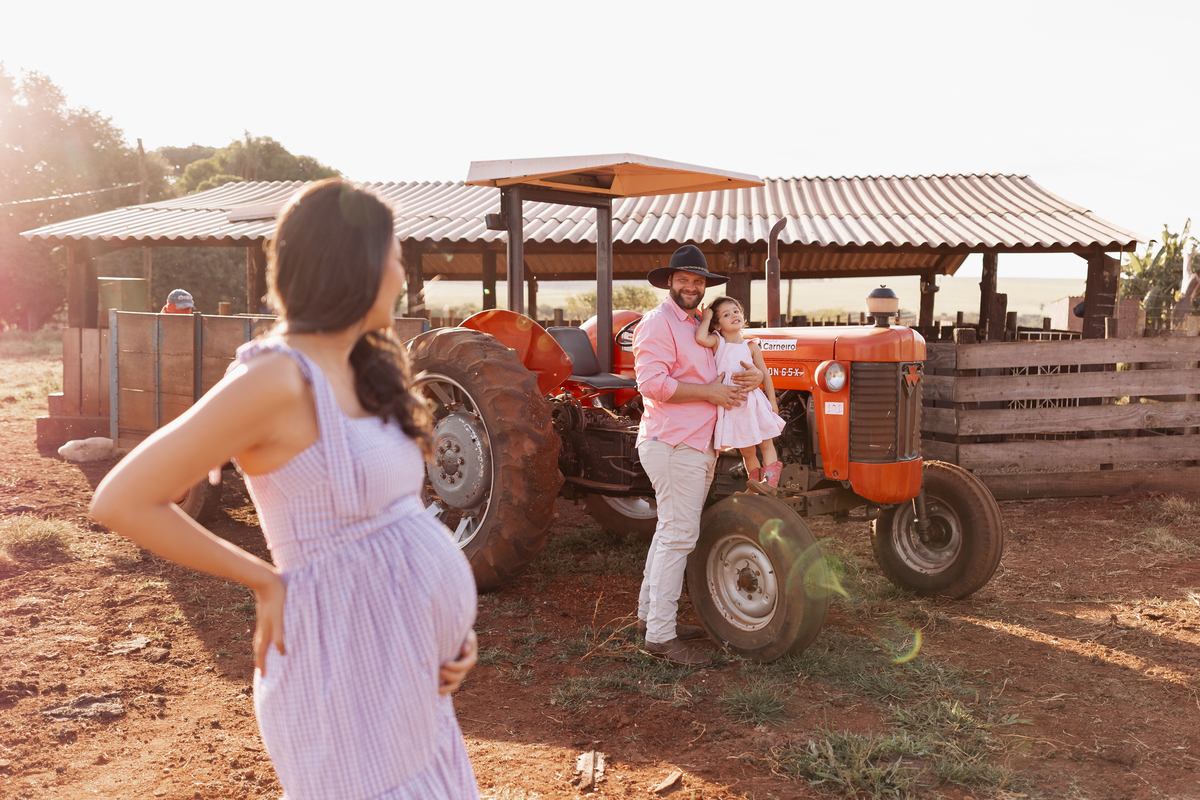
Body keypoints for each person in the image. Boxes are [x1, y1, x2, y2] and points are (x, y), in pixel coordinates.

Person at [90, 180, 480, 799]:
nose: (405, 275)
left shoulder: (368, 367)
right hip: (336, 668)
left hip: (407, 674)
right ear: (353, 264)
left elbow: (395, 522)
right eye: (395, 256)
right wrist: (263, 580)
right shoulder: (275, 378)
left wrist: (444, 631)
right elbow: (123, 498)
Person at [633, 244, 763, 666]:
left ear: (704, 286)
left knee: (669, 531)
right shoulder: (658, 323)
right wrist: (710, 393)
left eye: (698, 280)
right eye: (683, 279)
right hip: (674, 443)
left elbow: (725, 368)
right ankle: (661, 637)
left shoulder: (699, 324)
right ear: (670, 282)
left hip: (698, 443)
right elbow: (652, 384)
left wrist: (753, 375)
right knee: (680, 536)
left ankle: (649, 618)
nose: (691, 286)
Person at [696, 296, 786, 494]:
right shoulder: (718, 342)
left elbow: (765, 375)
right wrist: (706, 318)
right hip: (732, 406)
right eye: (726, 315)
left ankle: (770, 483)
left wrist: (772, 401)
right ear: (717, 325)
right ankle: (755, 487)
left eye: (736, 311)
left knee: (766, 443)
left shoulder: (751, 346)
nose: (734, 315)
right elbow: (700, 338)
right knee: (747, 450)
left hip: (753, 403)